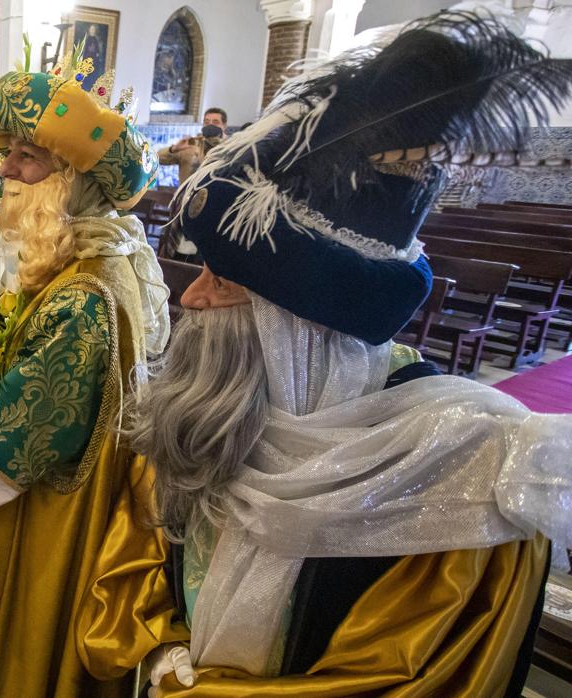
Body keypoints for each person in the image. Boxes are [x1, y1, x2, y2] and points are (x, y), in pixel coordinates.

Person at [77, 13, 572, 695]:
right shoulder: (208, 406)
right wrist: (160, 647)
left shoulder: (462, 475)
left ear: (297, 325)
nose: (191, 297)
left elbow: (399, 680)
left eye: (223, 281)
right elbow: (135, 553)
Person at [0, 55, 171, 695]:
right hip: (57, 516)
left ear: (74, 180)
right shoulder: (93, 260)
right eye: (7, 153)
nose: (6, 171)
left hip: (48, 538)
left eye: (28, 157)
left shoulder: (82, 302)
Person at [157, 107, 227, 183]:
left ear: (224, 125)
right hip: (190, 189)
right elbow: (158, 160)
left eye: (215, 122)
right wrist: (173, 149)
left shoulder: (230, 147)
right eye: (206, 122)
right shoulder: (190, 144)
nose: (210, 125)